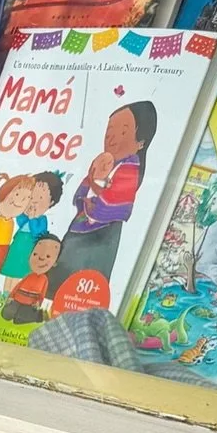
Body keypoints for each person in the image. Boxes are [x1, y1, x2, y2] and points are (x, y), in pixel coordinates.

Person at [48, 102, 157, 294]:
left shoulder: (130, 168)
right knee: (62, 270)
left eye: (123, 132)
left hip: (101, 236)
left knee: (83, 278)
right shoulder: (104, 162)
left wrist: (93, 187)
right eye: (109, 133)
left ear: (141, 141)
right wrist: (90, 184)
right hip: (79, 228)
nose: (112, 139)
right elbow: (81, 193)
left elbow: (113, 203)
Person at [2, 171, 64, 294]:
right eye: (32, 196)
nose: (34, 201)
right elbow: (20, 222)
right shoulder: (26, 214)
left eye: (40, 198)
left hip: (29, 248)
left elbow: (38, 233)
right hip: (18, 245)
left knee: (20, 272)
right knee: (11, 270)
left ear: (51, 202)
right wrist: (25, 213)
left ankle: (13, 294)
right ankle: (4, 293)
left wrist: (33, 218)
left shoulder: (42, 219)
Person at [0, 234, 62, 325]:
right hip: (17, 300)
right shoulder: (29, 275)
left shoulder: (44, 279)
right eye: (35, 254)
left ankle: (38, 316)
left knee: (19, 320)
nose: (41, 258)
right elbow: (17, 286)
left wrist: (38, 303)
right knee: (6, 314)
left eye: (48, 257)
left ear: (55, 263)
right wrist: (11, 296)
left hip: (29, 304)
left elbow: (42, 294)